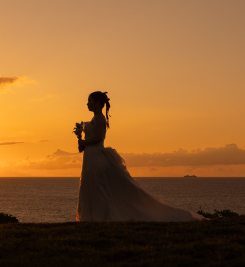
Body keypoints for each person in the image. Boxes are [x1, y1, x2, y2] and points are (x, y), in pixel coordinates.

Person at [75, 91, 202, 222]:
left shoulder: (100, 118)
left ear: (97, 103)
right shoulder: (95, 118)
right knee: (90, 187)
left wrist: (84, 142)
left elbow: (98, 137)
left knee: (97, 188)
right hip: (91, 156)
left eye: (90, 101)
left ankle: (99, 217)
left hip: (96, 157)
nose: (87, 103)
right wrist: (83, 145)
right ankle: (91, 217)